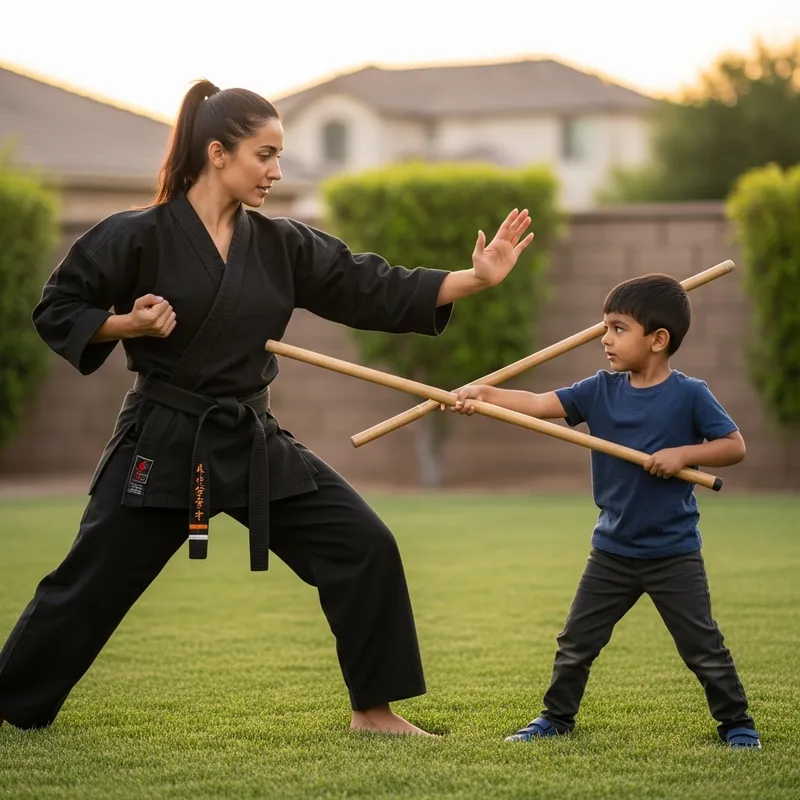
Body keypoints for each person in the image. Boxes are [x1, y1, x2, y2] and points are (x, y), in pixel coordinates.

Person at [0, 79, 534, 736]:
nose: (277, 171)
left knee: (362, 544)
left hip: (249, 437)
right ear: (218, 153)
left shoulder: (282, 244)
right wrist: (124, 326)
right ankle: (12, 702)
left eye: (280, 156)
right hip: (164, 439)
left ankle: (374, 712)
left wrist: (475, 279)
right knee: (91, 582)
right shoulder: (137, 235)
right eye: (265, 154)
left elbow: (370, 286)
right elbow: (58, 308)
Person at [449, 273, 762, 749]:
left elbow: (733, 446)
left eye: (618, 328)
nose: (605, 338)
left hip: (672, 552)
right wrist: (485, 395)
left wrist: (682, 454)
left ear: (658, 340)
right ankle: (556, 717)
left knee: (703, 648)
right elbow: (537, 403)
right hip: (612, 549)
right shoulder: (599, 389)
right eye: (604, 326)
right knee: (576, 642)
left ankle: (737, 723)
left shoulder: (690, 394)